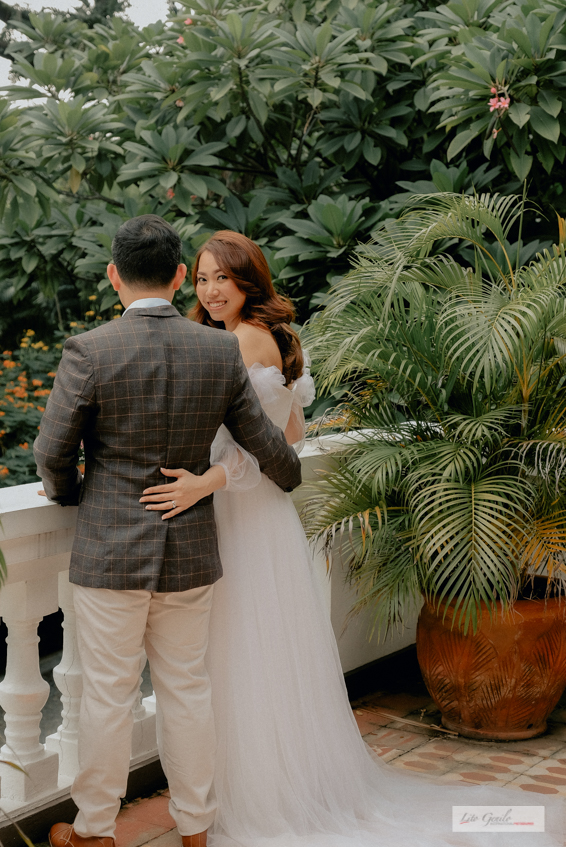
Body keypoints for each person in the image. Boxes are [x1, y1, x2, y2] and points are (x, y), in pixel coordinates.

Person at [140, 230, 565, 847]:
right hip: (262, 515)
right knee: (262, 654)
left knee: (237, 654)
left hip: (235, 510)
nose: (209, 291)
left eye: (222, 278)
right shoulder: (273, 337)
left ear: (248, 281)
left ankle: (252, 796)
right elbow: (293, 433)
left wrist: (206, 479)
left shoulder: (241, 340)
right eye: (202, 279)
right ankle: (272, 786)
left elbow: (266, 446)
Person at [33, 216, 302, 847]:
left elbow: (51, 452)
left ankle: (95, 829)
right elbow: (273, 451)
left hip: (110, 552)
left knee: (107, 694)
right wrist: (287, 472)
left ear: (113, 275)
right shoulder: (216, 349)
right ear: (181, 276)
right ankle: (196, 827)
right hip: (189, 550)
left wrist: (72, 495)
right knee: (187, 689)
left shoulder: (89, 349)